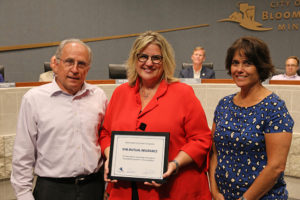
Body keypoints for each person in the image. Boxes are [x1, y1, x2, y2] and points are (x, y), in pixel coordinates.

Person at [99, 31, 212, 200]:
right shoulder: (120, 93)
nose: (149, 63)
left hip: (172, 190)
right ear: (134, 59)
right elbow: (106, 134)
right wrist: (112, 157)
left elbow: (201, 139)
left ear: (165, 61)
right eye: (143, 57)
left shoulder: (183, 93)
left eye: (156, 58)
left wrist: (174, 164)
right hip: (126, 190)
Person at [11, 39, 108, 200]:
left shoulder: (99, 96)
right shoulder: (34, 99)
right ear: (55, 64)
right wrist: (23, 195)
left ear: (88, 69)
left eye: (81, 64)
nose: (75, 69)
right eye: (69, 62)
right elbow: (23, 154)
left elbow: (105, 140)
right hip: (52, 190)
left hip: (93, 188)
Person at [209, 36, 294, 200]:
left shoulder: (274, 108)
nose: (239, 69)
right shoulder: (224, 104)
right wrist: (214, 190)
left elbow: (276, 167)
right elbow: (215, 152)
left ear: (260, 67)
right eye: (235, 63)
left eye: (247, 63)